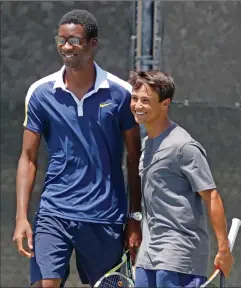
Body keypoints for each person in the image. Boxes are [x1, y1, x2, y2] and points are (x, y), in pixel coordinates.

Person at [13, 9, 142, 288]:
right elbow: (28, 158)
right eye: (61, 40)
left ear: (92, 44)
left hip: (105, 216)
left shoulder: (121, 94)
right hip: (54, 212)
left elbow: (134, 159)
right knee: (44, 284)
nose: (66, 46)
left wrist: (134, 217)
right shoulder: (40, 93)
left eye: (74, 40)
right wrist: (21, 217)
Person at [129, 70, 234, 287]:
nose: (138, 106)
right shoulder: (147, 143)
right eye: (135, 98)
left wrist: (224, 250)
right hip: (148, 255)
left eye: (146, 101)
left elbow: (212, 196)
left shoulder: (184, 147)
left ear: (165, 103)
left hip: (179, 255)